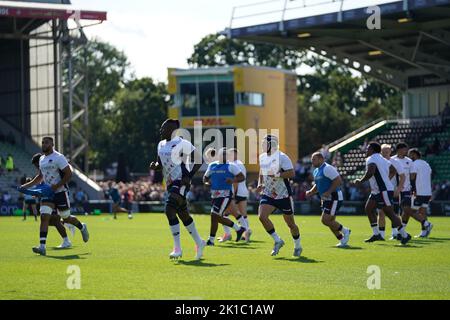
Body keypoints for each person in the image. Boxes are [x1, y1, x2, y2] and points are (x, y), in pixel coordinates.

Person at [20, 137, 89, 256]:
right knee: (44, 216)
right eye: (42, 142)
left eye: (46, 142)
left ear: (52, 144)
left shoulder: (59, 157)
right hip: (48, 193)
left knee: (66, 218)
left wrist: (57, 186)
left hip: (60, 192)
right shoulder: (41, 159)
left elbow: (69, 174)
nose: (44, 144)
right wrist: (26, 186)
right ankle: (42, 246)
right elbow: (40, 176)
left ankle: (81, 227)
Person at [149, 119, 205, 260]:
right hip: (170, 183)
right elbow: (160, 163)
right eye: (161, 128)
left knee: (169, 209)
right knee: (183, 214)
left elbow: (199, 160)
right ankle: (200, 242)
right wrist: (155, 166)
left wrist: (189, 176)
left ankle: (177, 249)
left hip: (181, 181)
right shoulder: (160, 144)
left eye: (164, 128)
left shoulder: (183, 143)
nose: (161, 130)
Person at [354, 142, 411, 245]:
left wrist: (360, 181)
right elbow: (393, 170)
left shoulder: (371, 159)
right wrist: (386, 180)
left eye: (368, 149)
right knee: (369, 208)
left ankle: (404, 235)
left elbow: (371, 172)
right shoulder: (382, 159)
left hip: (383, 190)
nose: (366, 150)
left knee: (389, 212)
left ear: (372, 150)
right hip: (379, 190)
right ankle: (377, 234)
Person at [257, 135, 302, 257]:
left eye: (264, 144)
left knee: (290, 224)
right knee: (262, 216)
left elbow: (292, 173)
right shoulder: (262, 157)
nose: (262, 146)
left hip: (283, 195)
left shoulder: (282, 157)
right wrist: (260, 183)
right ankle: (277, 240)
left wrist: (276, 175)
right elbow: (261, 171)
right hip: (268, 194)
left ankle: (298, 246)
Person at [203, 148, 246, 247]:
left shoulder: (231, 166)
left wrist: (232, 180)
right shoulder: (212, 165)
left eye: (225, 155)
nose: (224, 156)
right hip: (214, 195)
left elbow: (242, 177)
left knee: (214, 215)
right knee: (215, 217)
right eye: (222, 154)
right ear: (218, 155)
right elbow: (205, 177)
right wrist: (206, 182)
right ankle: (238, 229)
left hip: (225, 195)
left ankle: (211, 240)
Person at [306, 152, 351, 247]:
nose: (312, 161)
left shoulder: (327, 168)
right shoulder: (316, 171)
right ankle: (342, 240)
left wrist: (328, 192)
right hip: (327, 199)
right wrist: (311, 191)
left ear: (321, 159)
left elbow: (338, 181)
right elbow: (318, 185)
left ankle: (345, 230)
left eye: (314, 159)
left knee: (325, 220)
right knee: (330, 221)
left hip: (334, 197)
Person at [378, 144, 406, 240]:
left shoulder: (395, 162)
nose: (385, 153)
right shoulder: (379, 162)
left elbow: (403, 176)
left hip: (392, 191)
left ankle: (395, 233)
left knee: (394, 212)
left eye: (387, 151)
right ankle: (381, 234)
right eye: (383, 152)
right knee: (381, 212)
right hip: (381, 191)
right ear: (380, 152)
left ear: (390, 151)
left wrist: (398, 189)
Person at [405, 149, 434, 238]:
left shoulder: (414, 164)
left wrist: (413, 190)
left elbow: (412, 178)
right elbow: (429, 177)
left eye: (410, 155)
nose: (409, 157)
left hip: (419, 192)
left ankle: (427, 224)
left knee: (410, 211)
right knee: (423, 212)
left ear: (414, 154)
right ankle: (424, 232)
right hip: (427, 191)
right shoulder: (426, 164)